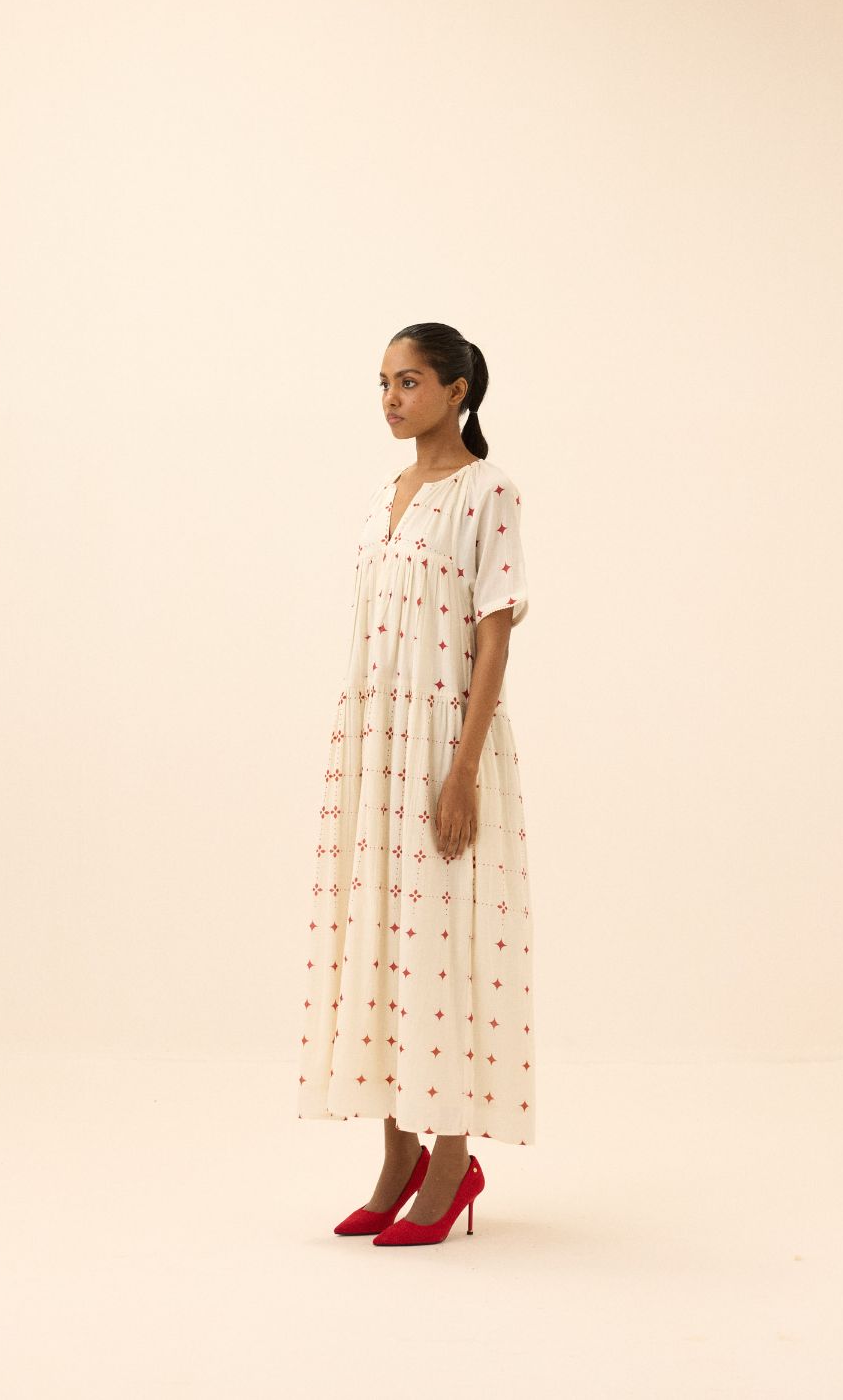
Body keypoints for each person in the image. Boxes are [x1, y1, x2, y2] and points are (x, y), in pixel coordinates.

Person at [297, 322, 536, 1246]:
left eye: (408, 382)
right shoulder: (384, 496)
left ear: (457, 389)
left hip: (443, 748)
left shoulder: (489, 493)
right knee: (385, 944)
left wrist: (463, 770)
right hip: (376, 749)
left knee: (442, 946)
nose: (391, 399)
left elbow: (494, 636)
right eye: (383, 383)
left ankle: (450, 1162)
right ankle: (396, 1158)